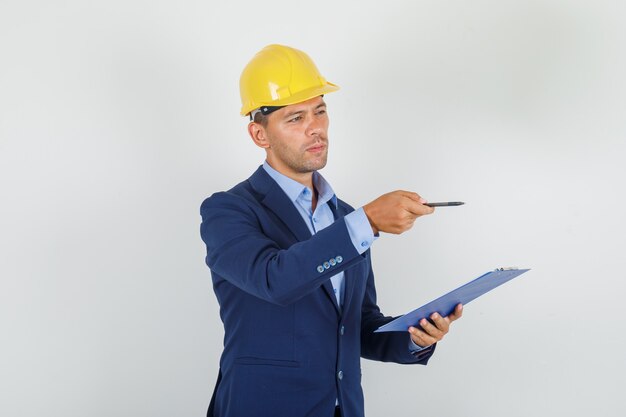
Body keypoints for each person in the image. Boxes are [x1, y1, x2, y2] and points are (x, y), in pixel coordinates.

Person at [200, 44, 463, 417]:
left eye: (320, 112)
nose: (316, 128)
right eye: (295, 119)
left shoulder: (345, 217)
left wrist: (415, 337)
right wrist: (368, 221)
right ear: (260, 135)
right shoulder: (228, 211)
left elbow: (358, 325)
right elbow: (276, 280)